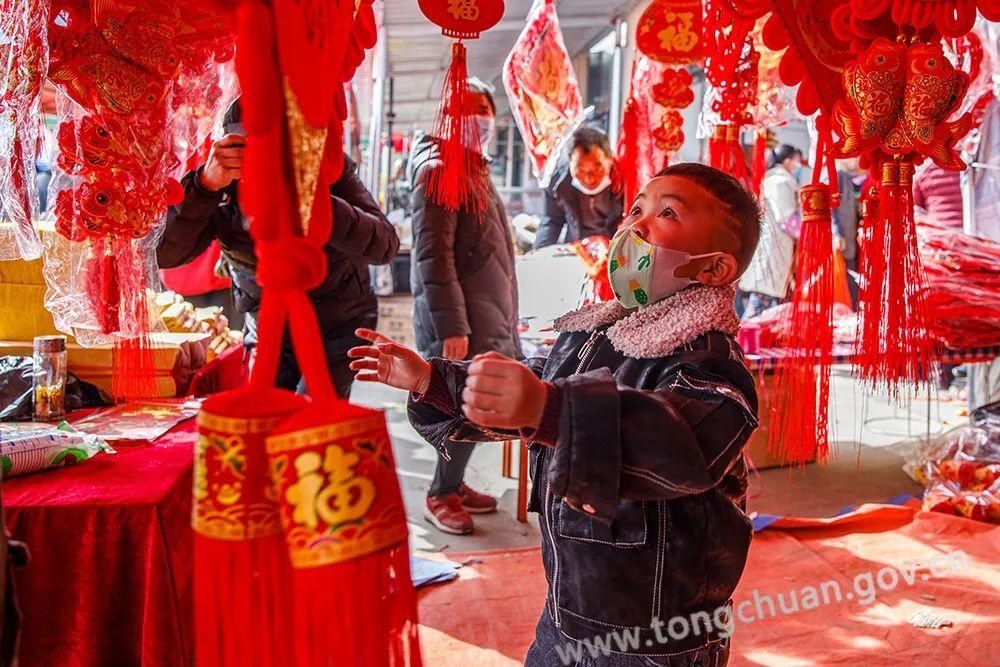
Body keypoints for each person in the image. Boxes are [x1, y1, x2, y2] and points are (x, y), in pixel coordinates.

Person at [351, 163, 760, 665]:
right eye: (636, 208)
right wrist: (431, 381)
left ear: (713, 269)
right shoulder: (592, 335)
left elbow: (683, 447)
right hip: (568, 609)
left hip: (663, 637)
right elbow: (523, 399)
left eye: (667, 212)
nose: (637, 224)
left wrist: (550, 409)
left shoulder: (708, 363)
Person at [157, 99, 399, 398]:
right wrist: (204, 187)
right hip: (266, 323)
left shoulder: (325, 166)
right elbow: (166, 254)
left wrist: (316, 203)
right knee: (267, 414)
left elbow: (384, 245)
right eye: (251, 146)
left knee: (314, 414)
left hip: (338, 319)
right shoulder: (221, 182)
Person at [406, 78, 521, 535]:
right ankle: (441, 493)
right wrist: (451, 324)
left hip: (484, 312)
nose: (478, 119)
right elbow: (433, 256)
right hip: (459, 319)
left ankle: (453, 484)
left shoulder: (473, 168)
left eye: (484, 110)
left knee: (475, 406)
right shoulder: (438, 170)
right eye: (466, 110)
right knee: (455, 406)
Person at [739, 143, 803, 319]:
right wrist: (808, 236)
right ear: (788, 161)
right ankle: (744, 339)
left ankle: (749, 340)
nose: (799, 166)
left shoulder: (770, 179)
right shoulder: (781, 182)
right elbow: (787, 219)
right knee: (761, 305)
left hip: (771, 247)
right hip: (774, 249)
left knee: (767, 307)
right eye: (797, 161)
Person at [533, 126, 624, 249]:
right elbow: (552, 221)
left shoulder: (626, 181)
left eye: (597, 169)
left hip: (617, 252)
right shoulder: (555, 183)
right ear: (569, 162)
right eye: (580, 170)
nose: (589, 179)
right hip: (578, 250)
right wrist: (539, 254)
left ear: (610, 160)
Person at [913, 163, 964, 230]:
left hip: (935, 233)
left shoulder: (922, 169)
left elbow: (915, 209)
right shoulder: (973, 164)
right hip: (973, 234)